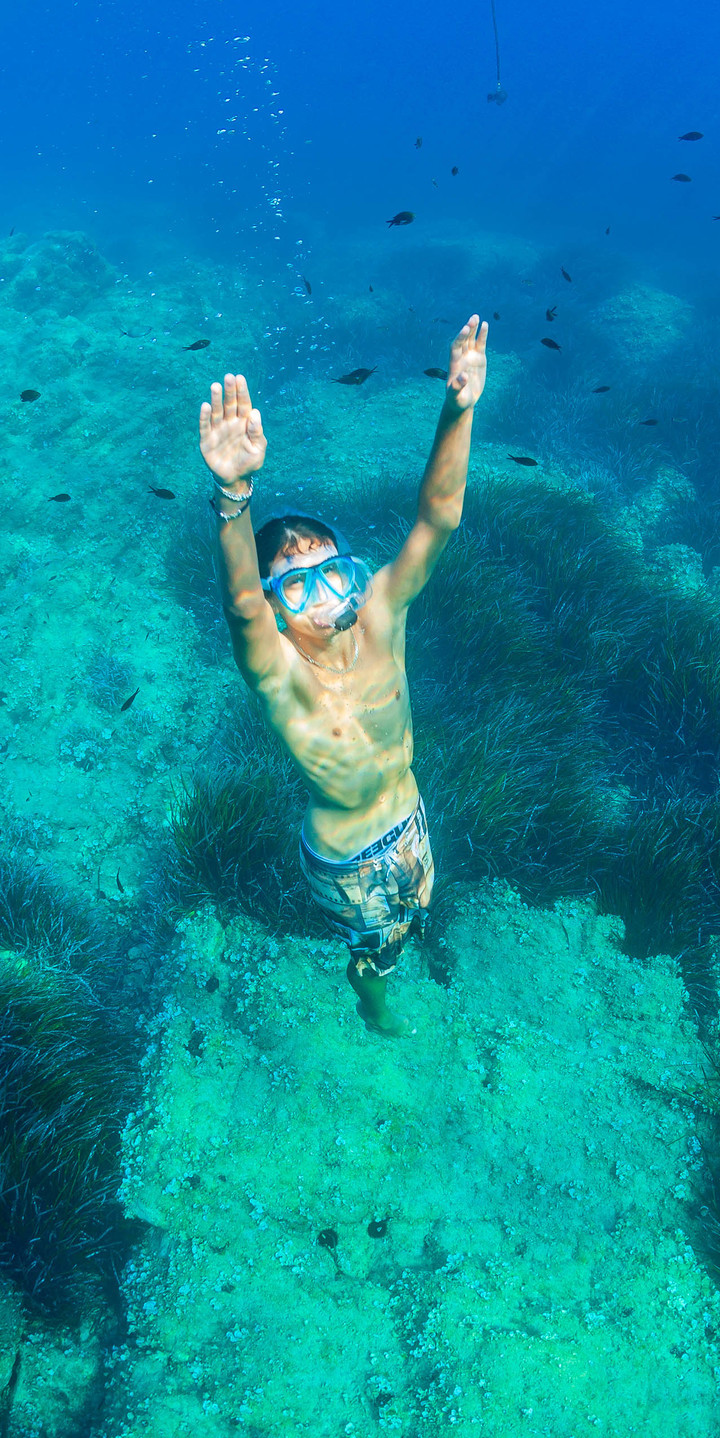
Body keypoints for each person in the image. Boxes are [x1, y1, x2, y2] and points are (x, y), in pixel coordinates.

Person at [196, 316, 488, 1035]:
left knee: (418, 914)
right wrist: (236, 496)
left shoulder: (384, 613)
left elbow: (439, 516)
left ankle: (395, 958)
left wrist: (459, 407)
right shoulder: (281, 673)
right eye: (295, 587)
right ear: (276, 607)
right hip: (348, 863)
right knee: (375, 955)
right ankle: (372, 1000)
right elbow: (239, 606)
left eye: (330, 573)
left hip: (412, 818)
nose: (323, 596)